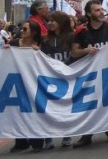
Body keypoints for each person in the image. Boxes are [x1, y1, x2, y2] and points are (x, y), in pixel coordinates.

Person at [70, 0, 108, 147]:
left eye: (101, 9)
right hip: (89, 72)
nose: (101, 12)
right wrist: (85, 51)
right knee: (89, 104)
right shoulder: (81, 30)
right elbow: (74, 52)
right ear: (89, 13)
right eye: (97, 10)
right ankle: (87, 134)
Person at [4, 21, 42, 153]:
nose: (22, 30)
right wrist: (6, 51)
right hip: (16, 82)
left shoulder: (40, 45)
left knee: (33, 111)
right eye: (21, 28)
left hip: (34, 82)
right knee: (16, 112)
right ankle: (20, 142)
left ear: (34, 32)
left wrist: (39, 53)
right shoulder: (14, 43)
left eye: (25, 29)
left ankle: (36, 140)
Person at [38, 11, 74, 149]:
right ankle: (48, 137)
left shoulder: (71, 37)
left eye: (54, 21)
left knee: (66, 106)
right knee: (48, 107)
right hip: (50, 77)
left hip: (67, 77)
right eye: (49, 21)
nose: (50, 23)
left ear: (61, 22)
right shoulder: (45, 39)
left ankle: (67, 134)